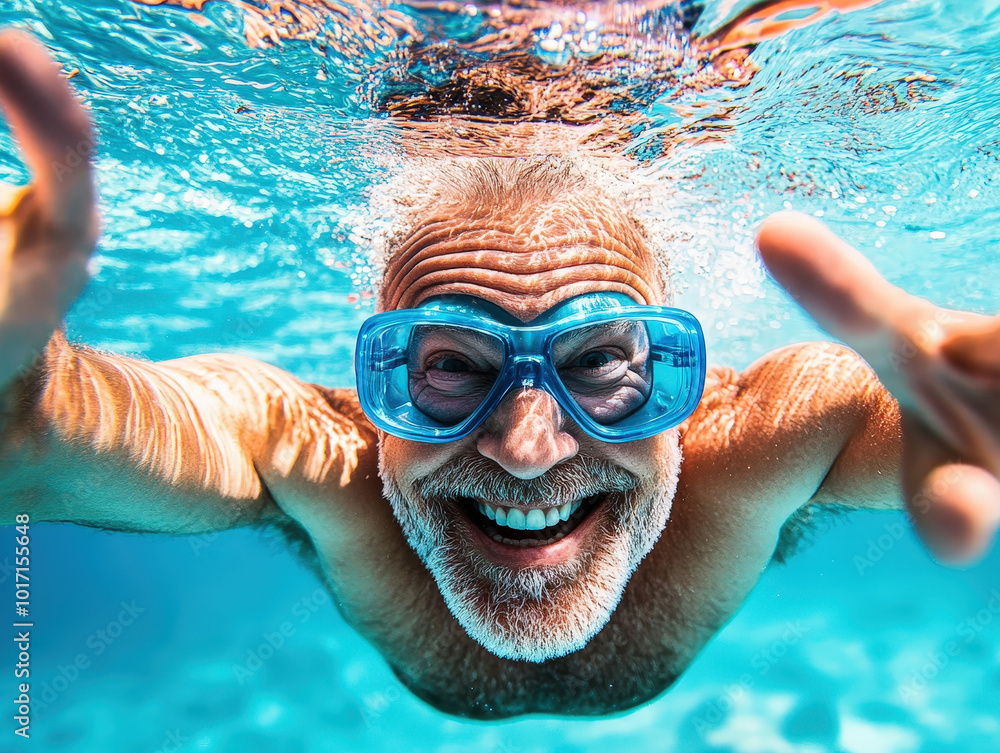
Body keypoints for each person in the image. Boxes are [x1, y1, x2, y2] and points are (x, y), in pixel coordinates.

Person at [1, 29, 998, 719]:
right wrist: (16, 393)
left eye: (602, 360)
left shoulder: (761, 444)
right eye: (447, 368)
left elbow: (884, 406)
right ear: (376, 375)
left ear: (671, 371)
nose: (526, 450)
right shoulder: (312, 457)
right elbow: (53, 443)